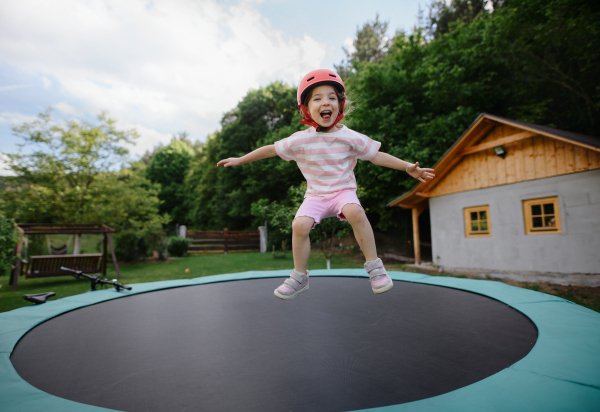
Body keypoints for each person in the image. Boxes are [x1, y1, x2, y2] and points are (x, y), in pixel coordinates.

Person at [217, 69, 435, 300]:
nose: (325, 102)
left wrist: (407, 167)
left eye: (331, 97)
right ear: (306, 108)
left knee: (355, 211)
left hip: (343, 192)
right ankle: (299, 276)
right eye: (318, 98)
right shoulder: (300, 139)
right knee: (299, 225)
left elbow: (376, 155)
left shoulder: (351, 137)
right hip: (315, 196)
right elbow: (271, 149)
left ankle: (375, 267)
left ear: (340, 105)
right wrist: (241, 159)